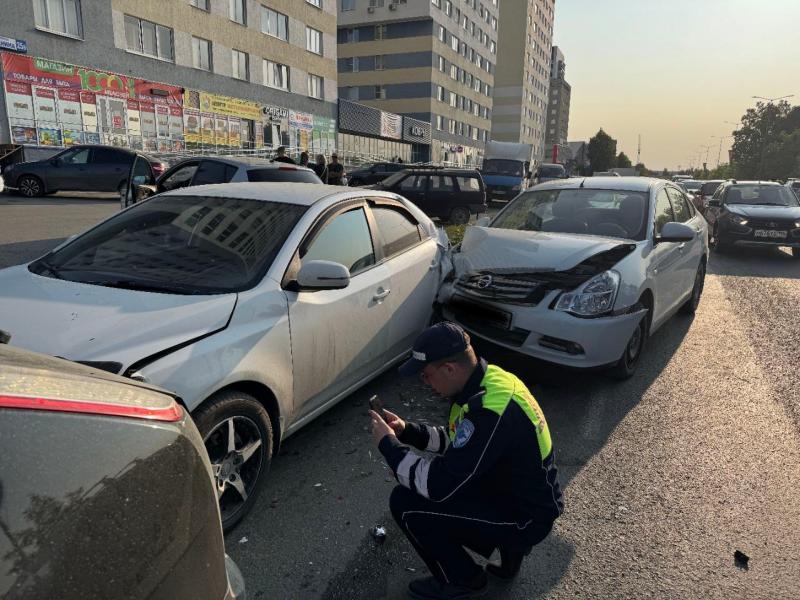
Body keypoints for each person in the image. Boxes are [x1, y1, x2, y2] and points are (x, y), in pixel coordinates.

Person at [370, 322, 563, 600]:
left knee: (405, 502)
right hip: (523, 498)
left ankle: (463, 580)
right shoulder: (489, 382)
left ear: (449, 369)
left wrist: (388, 445)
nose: (425, 384)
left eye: (426, 376)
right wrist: (407, 431)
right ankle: (511, 554)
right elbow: (460, 442)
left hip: (525, 517)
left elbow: (438, 485)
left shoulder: (489, 413)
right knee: (448, 487)